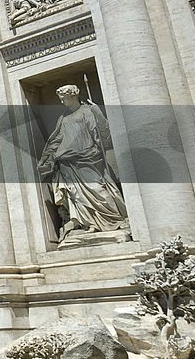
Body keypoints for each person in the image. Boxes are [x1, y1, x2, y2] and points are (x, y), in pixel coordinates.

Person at [38, 84, 129, 242]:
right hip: (67, 161)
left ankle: (115, 218)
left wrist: (98, 113)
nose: (61, 101)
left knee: (98, 189)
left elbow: (99, 133)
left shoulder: (87, 111)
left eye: (63, 98)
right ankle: (89, 223)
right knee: (76, 195)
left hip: (88, 157)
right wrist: (47, 157)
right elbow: (57, 139)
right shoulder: (63, 118)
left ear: (73, 96)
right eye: (60, 98)